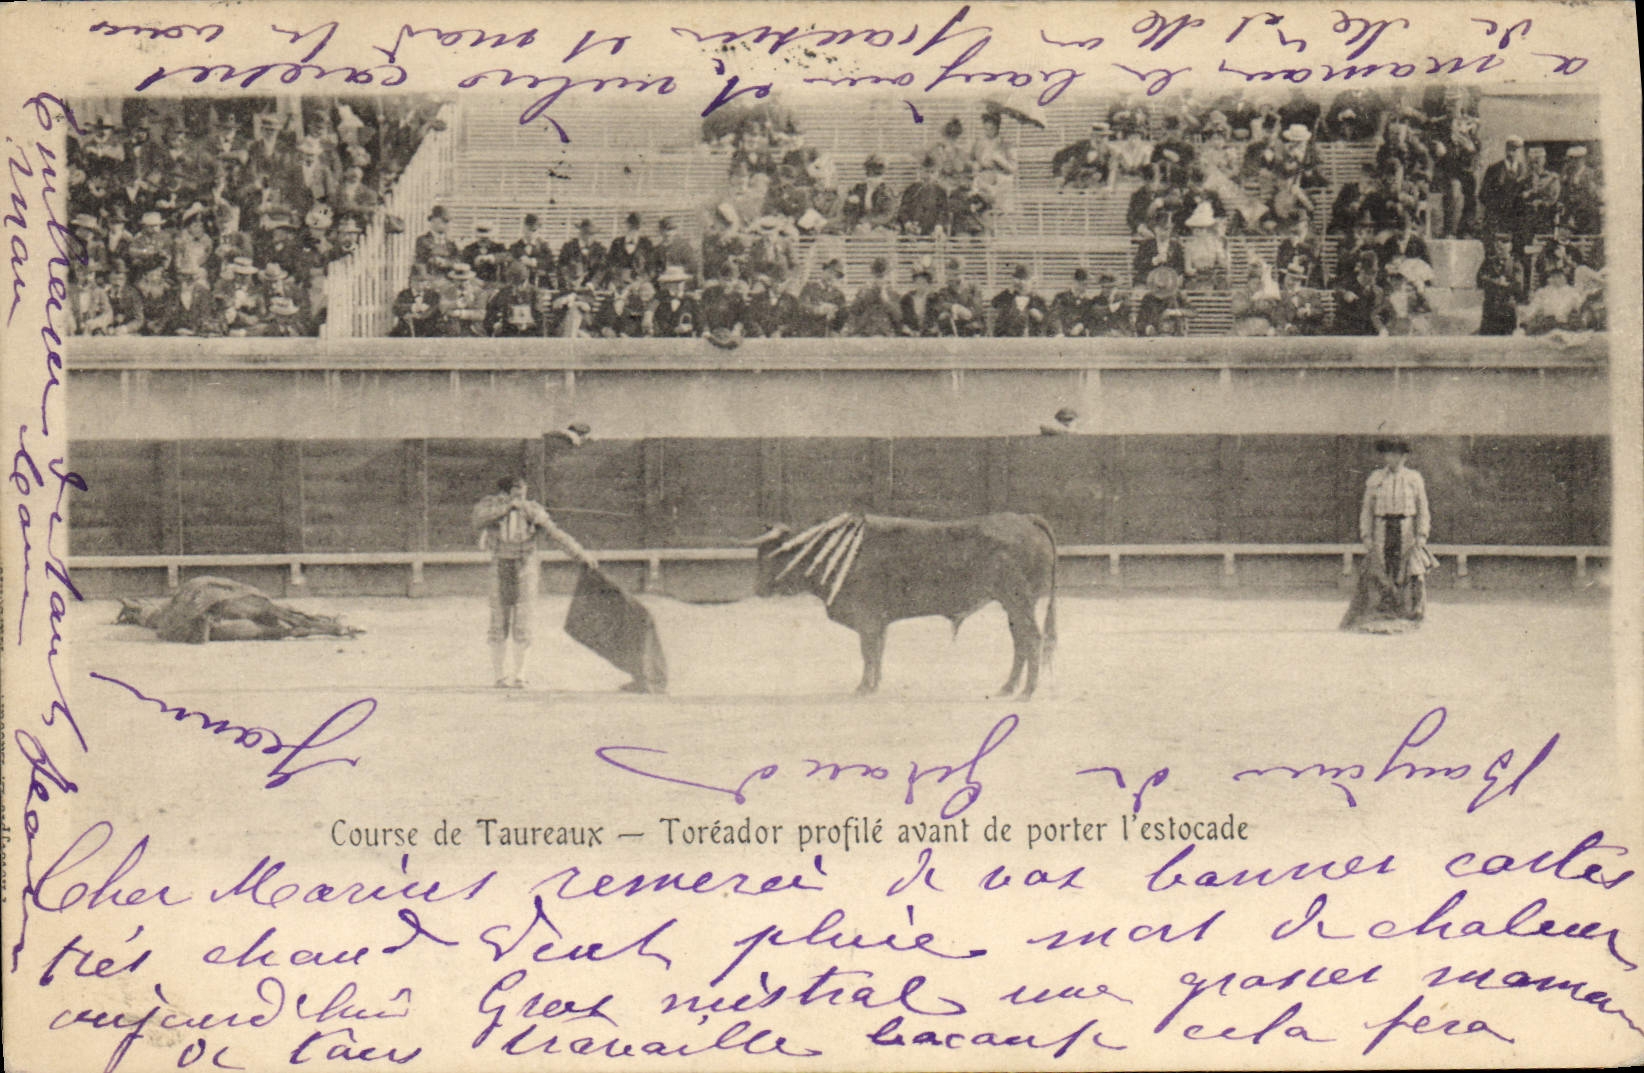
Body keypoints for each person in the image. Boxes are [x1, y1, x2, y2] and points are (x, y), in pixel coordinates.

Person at [473, 476, 598, 688]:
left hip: (525, 566)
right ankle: (499, 676)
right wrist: (506, 508)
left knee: (523, 620)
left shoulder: (532, 509)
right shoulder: (491, 506)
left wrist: (581, 555)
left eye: (523, 494)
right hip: (500, 564)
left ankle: (520, 675)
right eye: (516, 494)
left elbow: (556, 534)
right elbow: (478, 520)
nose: (521, 498)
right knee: (498, 621)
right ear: (505, 493)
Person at [1341, 439, 1433, 632]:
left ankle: (1412, 614)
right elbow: (1367, 510)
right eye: (1388, 454)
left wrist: (1422, 534)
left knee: (1410, 570)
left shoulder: (1414, 478)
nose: (1392, 458)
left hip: (1406, 526)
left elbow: (1423, 509)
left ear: (1404, 456)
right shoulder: (1375, 478)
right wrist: (1366, 535)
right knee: (1380, 569)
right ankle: (1379, 612)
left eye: (1396, 454)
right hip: (1382, 526)